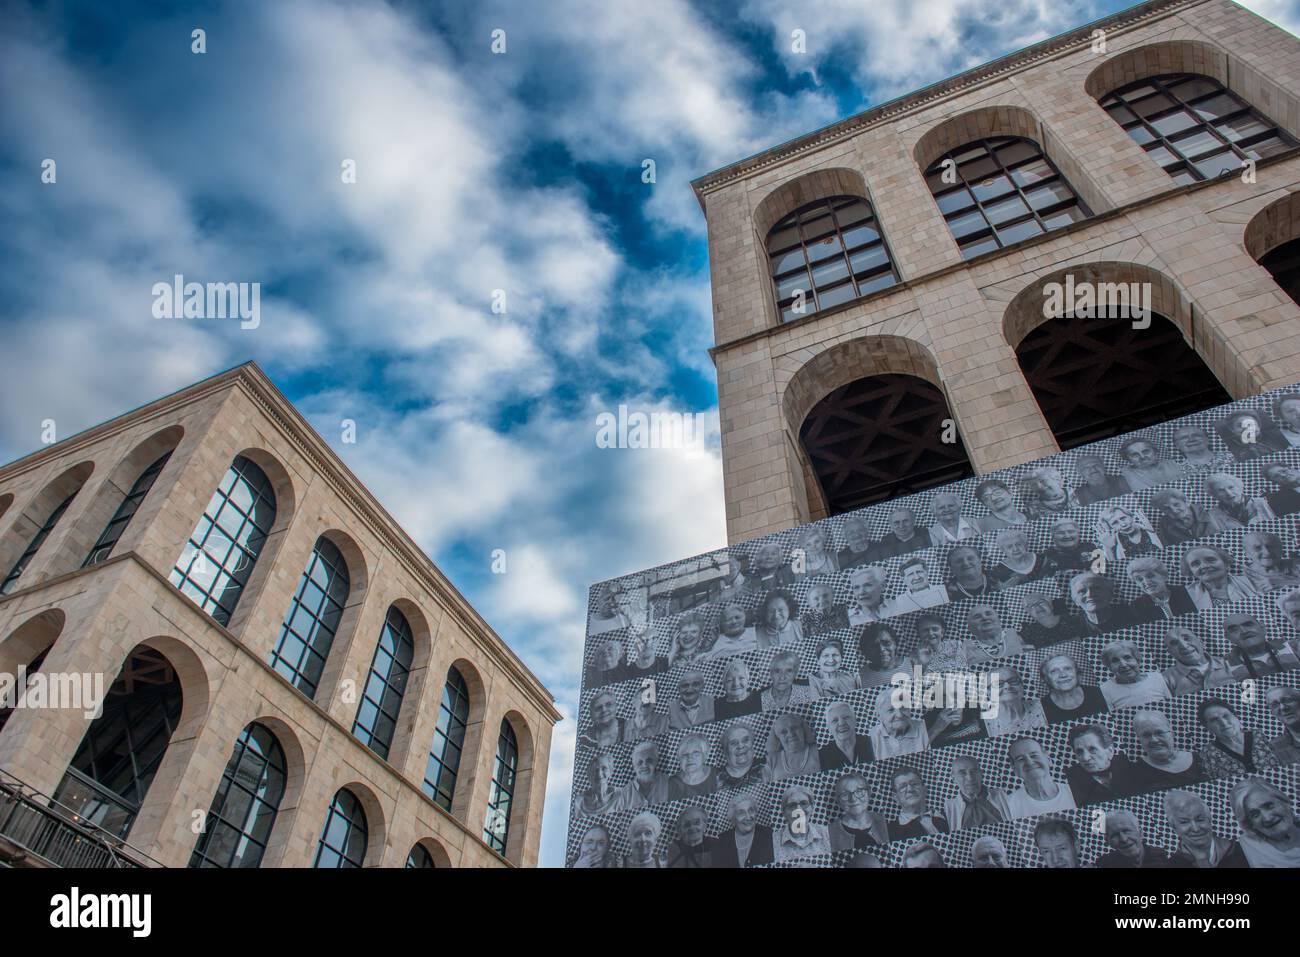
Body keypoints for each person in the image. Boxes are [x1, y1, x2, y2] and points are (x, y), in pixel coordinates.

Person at [1196, 697, 1282, 778]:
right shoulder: (1207, 754)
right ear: (1207, 727)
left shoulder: (1262, 735)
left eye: (1226, 716)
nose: (1224, 723)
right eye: (1214, 720)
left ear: (1236, 717)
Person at [1163, 789, 1249, 868]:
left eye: (1200, 819)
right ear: (1173, 826)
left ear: (1209, 820)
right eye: (1184, 822)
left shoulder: (1240, 850)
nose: (1195, 829)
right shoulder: (1171, 865)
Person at [1066, 723, 1145, 805]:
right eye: (1079, 752)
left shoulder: (1130, 764)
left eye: (1092, 749)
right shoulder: (1070, 779)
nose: (1085, 758)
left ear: (1110, 751)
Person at [1231, 776, 1300, 867]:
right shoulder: (1244, 851)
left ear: (1284, 803)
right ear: (1250, 824)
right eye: (1255, 815)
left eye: (1269, 806)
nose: (1267, 818)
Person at [1131, 709, 1206, 792]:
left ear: (1172, 734)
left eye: (1159, 733)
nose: (1154, 740)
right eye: (1146, 735)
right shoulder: (1135, 771)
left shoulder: (1200, 759)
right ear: (1139, 740)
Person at [1004, 737, 1077, 818]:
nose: (1029, 762)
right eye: (1020, 759)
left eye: (1034, 755)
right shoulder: (1008, 806)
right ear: (1014, 768)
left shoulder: (1076, 793)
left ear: (1048, 759)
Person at [1178, 544, 1261, 610]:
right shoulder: (1184, 596)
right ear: (1191, 572)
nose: (1204, 566)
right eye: (1195, 564)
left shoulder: (1253, 581)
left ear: (1226, 564)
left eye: (1211, 560)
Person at [1223, 611, 1300, 680]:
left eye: (1248, 625)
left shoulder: (1293, 646)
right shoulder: (1223, 667)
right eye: (1234, 629)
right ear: (1228, 637)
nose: (1244, 631)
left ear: (1263, 628)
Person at [1099, 638, 1171, 710]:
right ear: (1110, 667)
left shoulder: (1158, 678)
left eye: (1127, 657)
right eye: (1115, 661)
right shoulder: (1105, 690)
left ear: (1138, 660)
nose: (1123, 665)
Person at [1161, 626, 1235, 695]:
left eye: (1187, 638)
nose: (1183, 645)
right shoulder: (1164, 680)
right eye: (1174, 643)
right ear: (1170, 652)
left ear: (1201, 642)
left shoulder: (1230, 663)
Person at [943, 754, 1010, 829]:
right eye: (963, 773)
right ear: (953, 778)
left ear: (981, 773)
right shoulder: (947, 807)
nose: (970, 778)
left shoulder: (1004, 795)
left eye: (974, 771)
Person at [826, 771, 889, 850]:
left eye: (859, 791)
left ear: (869, 793)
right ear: (838, 800)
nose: (853, 799)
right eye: (845, 794)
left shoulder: (886, 821)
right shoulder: (829, 832)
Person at [1040, 653, 1108, 723]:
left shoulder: (1099, 693)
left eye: (1067, 668)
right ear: (1045, 679)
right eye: (1054, 671)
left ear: (1077, 672)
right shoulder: (1041, 709)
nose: (1063, 675)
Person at [711, 792, 774, 868]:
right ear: (733, 817)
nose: (748, 817)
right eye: (741, 813)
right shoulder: (721, 841)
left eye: (751, 810)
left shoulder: (769, 834)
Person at [773, 784, 833, 862]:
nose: (799, 810)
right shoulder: (773, 841)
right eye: (792, 805)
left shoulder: (828, 834)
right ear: (783, 812)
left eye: (804, 803)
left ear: (812, 807)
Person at [1126, 555, 1197, 622]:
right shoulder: (1136, 606)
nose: (1146, 582)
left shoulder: (1185, 592)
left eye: (1150, 575)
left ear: (1164, 576)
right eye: (1139, 579)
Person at [983, 666, 1047, 737]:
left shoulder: (1042, 707)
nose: (1007, 686)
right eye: (998, 684)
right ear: (989, 693)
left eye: (1013, 681)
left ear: (1022, 686)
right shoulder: (984, 722)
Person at [1094, 808, 1169, 868]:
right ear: (1108, 841)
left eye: (1126, 830)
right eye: (1115, 835)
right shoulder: (1105, 865)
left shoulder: (1164, 858)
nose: (1123, 839)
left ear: (1140, 833)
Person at [889, 766, 949, 838]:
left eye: (914, 784)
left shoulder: (948, 816)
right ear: (895, 797)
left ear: (924, 789)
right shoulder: (890, 832)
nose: (910, 789)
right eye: (902, 787)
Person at [1069, 571, 1137, 634]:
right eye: (1082, 591)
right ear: (1076, 601)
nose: (1090, 594)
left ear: (1110, 594)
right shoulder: (1072, 626)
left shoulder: (1133, 613)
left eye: (1096, 588)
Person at [989, 527, 1057, 590]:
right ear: (1003, 550)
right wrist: (1003, 589)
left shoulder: (1043, 559)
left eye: (1019, 544)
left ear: (1025, 545)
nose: (1015, 549)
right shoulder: (997, 571)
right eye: (1009, 547)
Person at [611, 741, 672, 811]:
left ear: (656, 762)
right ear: (634, 767)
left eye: (649, 760)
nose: (645, 765)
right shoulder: (625, 793)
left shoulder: (669, 782)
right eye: (640, 762)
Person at [869, 688, 929, 758]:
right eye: (891, 710)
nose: (899, 715)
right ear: (879, 716)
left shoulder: (924, 728)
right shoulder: (871, 738)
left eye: (903, 708)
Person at [1150, 487, 1220, 545]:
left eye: (1176, 504)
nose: (1174, 510)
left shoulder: (1207, 510)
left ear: (1186, 502)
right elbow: (1167, 545)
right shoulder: (1164, 523)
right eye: (1166, 508)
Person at [1205, 471, 1275, 528]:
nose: (1228, 493)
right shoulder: (1213, 515)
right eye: (1221, 490)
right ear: (1214, 495)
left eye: (1231, 487)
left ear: (1240, 487)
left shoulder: (1262, 502)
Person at [882, 556, 949, 615]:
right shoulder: (898, 602)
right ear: (904, 579)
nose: (917, 577)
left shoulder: (944, 590)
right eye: (910, 574)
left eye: (919, 572)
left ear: (926, 572)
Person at [818, 700, 873, 770]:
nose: (841, 723)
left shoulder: (872, 743)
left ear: (855, 720)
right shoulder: (821, 756)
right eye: (835, 720)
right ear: (829, 728)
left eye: (846, 717)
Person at [1241, 528, 1300, 593]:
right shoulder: (1241, 578)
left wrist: (1288, 582)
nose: (1267, 552)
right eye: (1257, 548)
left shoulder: (1296, 563)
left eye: (1271, 546)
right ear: (1247, 552)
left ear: (1281, 548)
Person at [1096, 504, 1162, 562]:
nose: (1123, 524)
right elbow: (1117, 569)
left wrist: (1155, 531)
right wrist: (1109, 549)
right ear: (1111, 528)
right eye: (1115, 523)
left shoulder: (1150, 527)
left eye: (1123, 518)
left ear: (1131, 516)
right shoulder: (1112, 542)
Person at [857, 622, 914, 688]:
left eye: (887, 643)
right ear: (866, 651)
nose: (881, 649)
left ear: (895, 644)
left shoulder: (914, 663)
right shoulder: (859, 676)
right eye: (874, 646)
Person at [1217, 409, 1290, 460]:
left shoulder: (1278, 435)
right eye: (1240, 425)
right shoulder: (1228, 451)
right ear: (1232, 429)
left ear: (1258, 426)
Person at [716, 722, 772, 788]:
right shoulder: (716, 777)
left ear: (752, 744)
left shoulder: (766, 765)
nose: (740, 746)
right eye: (733, 743)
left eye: (745, 740)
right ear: (725, 750)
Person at [1118, 436, 1184, 491]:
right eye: (1135, 455)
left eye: (1146, 451)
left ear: (1155, 451)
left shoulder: (1174, 464)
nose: (1142, 457)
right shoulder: (1125, 474)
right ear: (1127, 459)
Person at [767, 712, 820, 780]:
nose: (791, 734)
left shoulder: (818, 750)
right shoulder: (771, 760)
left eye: (794, 728)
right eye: (784, 732)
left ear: (803, 730)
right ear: (778, 737)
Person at [668, 733, 720, 799]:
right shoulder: (671, 783)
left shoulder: (718, 775)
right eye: (685, 754)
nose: (690, 758)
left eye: (696, 753)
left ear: (705, 756)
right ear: (679, 758)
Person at [1266, 686, 1300, 763]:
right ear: (1272, 712)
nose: (1282, 707)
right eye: (1275, 705)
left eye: (1287, 700)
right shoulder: (1273, 749)